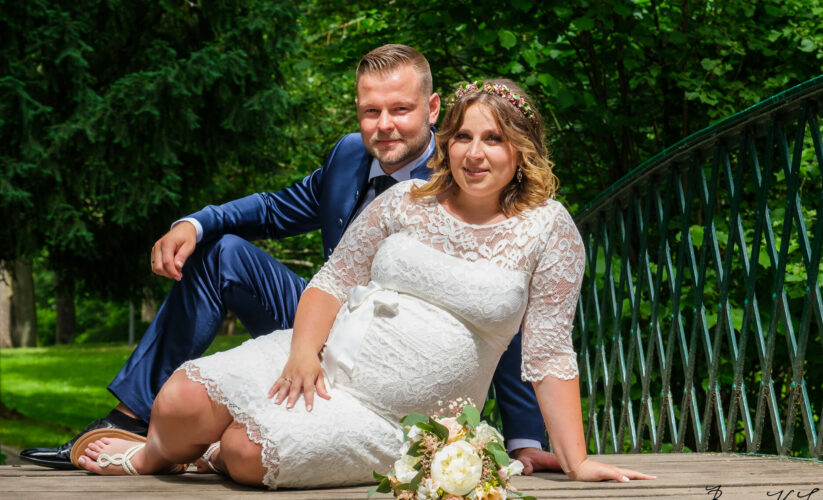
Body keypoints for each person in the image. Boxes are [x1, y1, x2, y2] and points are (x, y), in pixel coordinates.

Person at [70, 78, 655, 488]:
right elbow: (332, 278)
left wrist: (572, 460)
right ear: (446, 142)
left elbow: (548, 351)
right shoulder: (406, 199)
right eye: (464, 137)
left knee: (251, 453)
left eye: (495, 139)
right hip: (329, 361)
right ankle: (153, 453)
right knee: (177, 402)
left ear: (521, 151)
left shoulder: (549, 229)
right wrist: (303, 354)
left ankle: (213, 454)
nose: (475, 154)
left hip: (400, 417)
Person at [20, 44, 555, 473]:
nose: (384, 125)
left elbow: (500, 313)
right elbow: (275, 209)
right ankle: (131, 418)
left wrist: (525, 437)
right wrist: (195, 221)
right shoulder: (349, 155)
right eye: (371, 110)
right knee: (222, 252)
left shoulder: (467, 174)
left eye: (400, 109)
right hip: (324, 321)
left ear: (432, 109)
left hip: (399, 367)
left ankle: (218, 444)